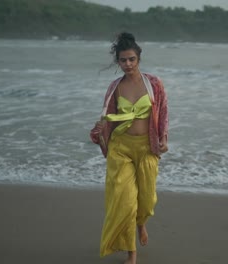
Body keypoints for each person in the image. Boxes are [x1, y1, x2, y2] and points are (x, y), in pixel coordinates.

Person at [90, 32, 168, 264]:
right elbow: (108, 118)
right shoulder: (115, 87)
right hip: (121, 148)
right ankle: (131, 254)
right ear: (118, 61)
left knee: (146, 200)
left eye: (131, 59)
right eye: (123, 60)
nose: (128, 64)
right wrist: (99, 129)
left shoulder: (153, 83)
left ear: (139, 58)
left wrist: (163, 138)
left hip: (146, 147)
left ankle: (141, 224)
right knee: (124, 202)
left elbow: (162, 112)